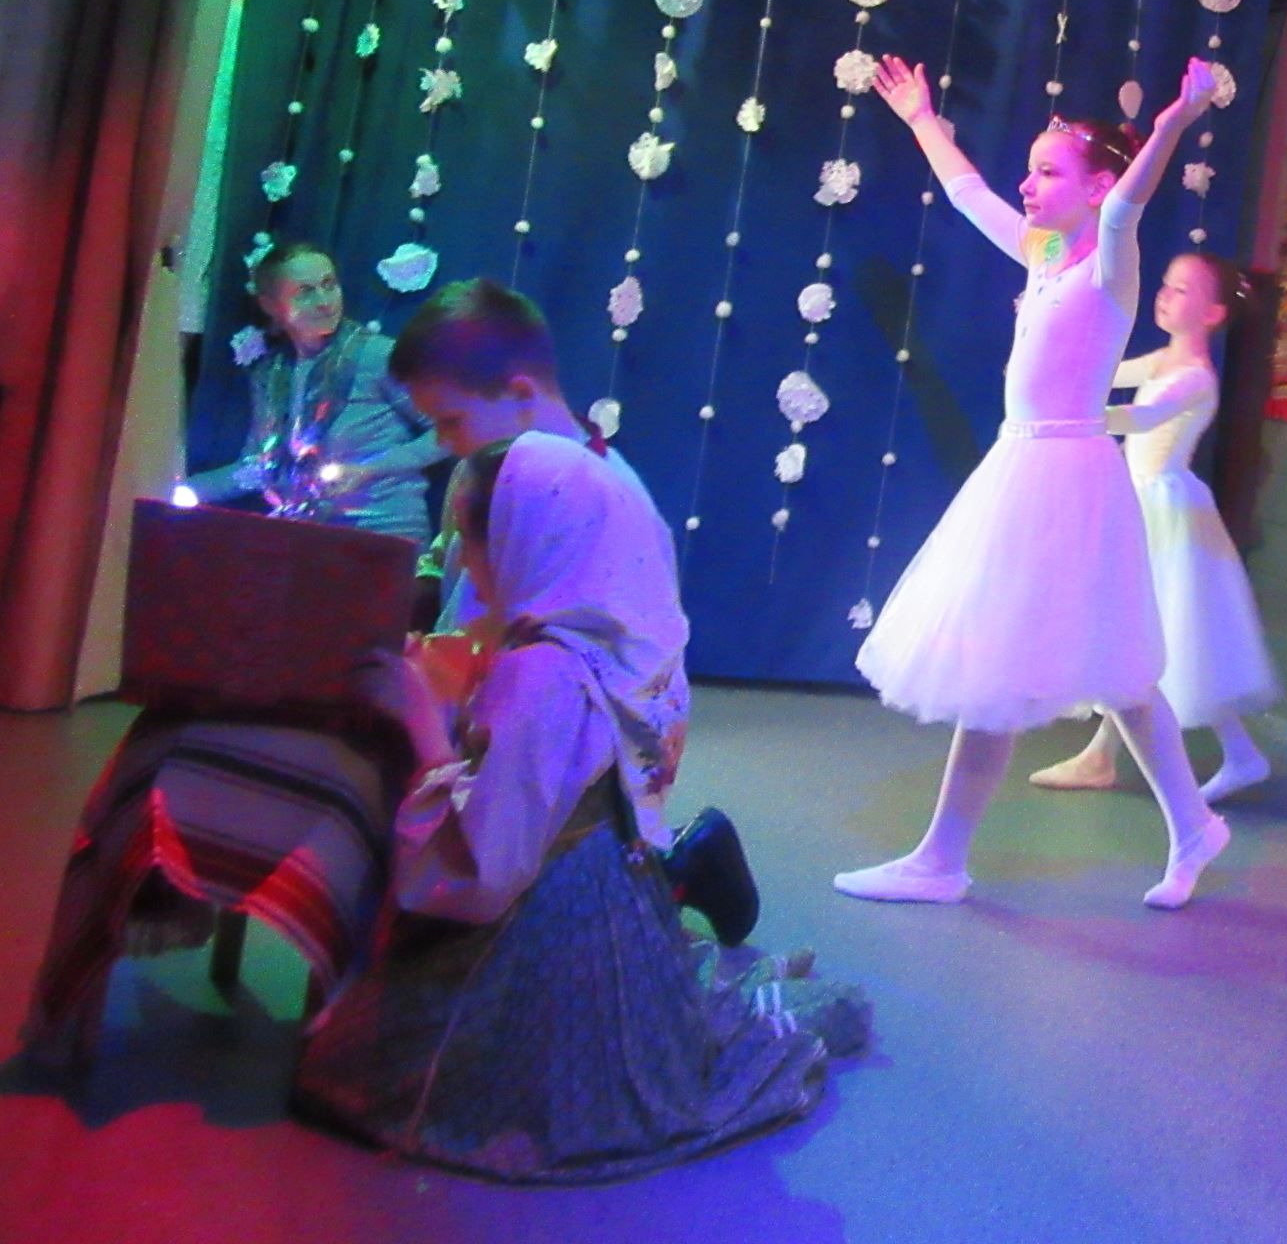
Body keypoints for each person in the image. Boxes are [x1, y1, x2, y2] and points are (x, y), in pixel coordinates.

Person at [294, 432, 860, 1182]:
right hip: (608, 888)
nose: (460, 557)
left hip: (543, 921)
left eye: (470, 536)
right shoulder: (610, 634)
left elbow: (484, 872)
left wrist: (423, 722)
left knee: (354, 1071)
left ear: (525, 542)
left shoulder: (539, 673)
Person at [837, 58, 1231, 910]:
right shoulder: (1045, 256)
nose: (1029, 185)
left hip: (1064, 480)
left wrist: (1176, 118)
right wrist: (921, 119)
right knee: (1106, 674)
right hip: (1026, 469)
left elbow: (1127, 209)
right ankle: (1193, 824)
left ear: (1096, 188)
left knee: (1027, 662)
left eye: (1049, 172)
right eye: (1032, 169)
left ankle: (942, 861)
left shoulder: (1108, 270)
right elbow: (970, 193)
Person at [387, 278, 757, 947]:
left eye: (452, 422)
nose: (444, 443)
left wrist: (446, 705)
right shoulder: (504, 481)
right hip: (524, 726)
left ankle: (669, 869)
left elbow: (604, 692)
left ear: (520, 394)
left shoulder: (587, 503)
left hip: (554, 760)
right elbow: (464, 589)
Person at [1030, 251, 1279, 804]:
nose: (1164, 295)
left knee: (1159, 632)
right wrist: (1049, 341)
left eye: (1181, 290)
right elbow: (1107, 373)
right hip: (1140, 501)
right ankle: (1104, 756)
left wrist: (1075, 417)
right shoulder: (1165, 359)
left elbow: (1142, 417)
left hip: (1164, 513)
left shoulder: (1194, 377)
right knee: (1133, 630)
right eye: (1165, 285)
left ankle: (1237, 754)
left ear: (1213, 314)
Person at [190, 241, 444, 540]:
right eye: (305, 291)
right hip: (306, 537)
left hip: (383, 534)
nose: (325, 301)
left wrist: (370, 470)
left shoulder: (378, 355)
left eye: (329, 284)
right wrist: (181, 490)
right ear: (270, 305)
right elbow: (257, 468)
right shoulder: (271, 373)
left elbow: (448, 430)